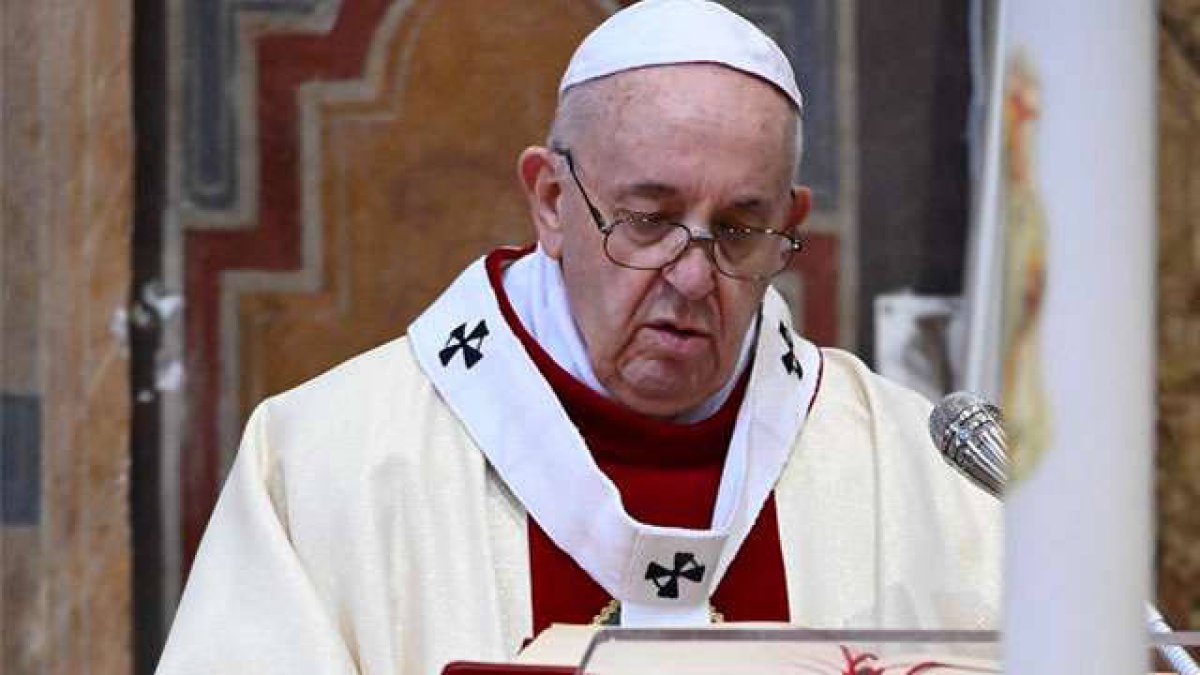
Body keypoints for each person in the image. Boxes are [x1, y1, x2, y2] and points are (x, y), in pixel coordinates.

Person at [156, 1, 1000, 673]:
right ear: (551, 201)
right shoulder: (321, 463)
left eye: (741, 229)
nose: (693, 276)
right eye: (648, 219)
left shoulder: (915, 474)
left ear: (792, 222)